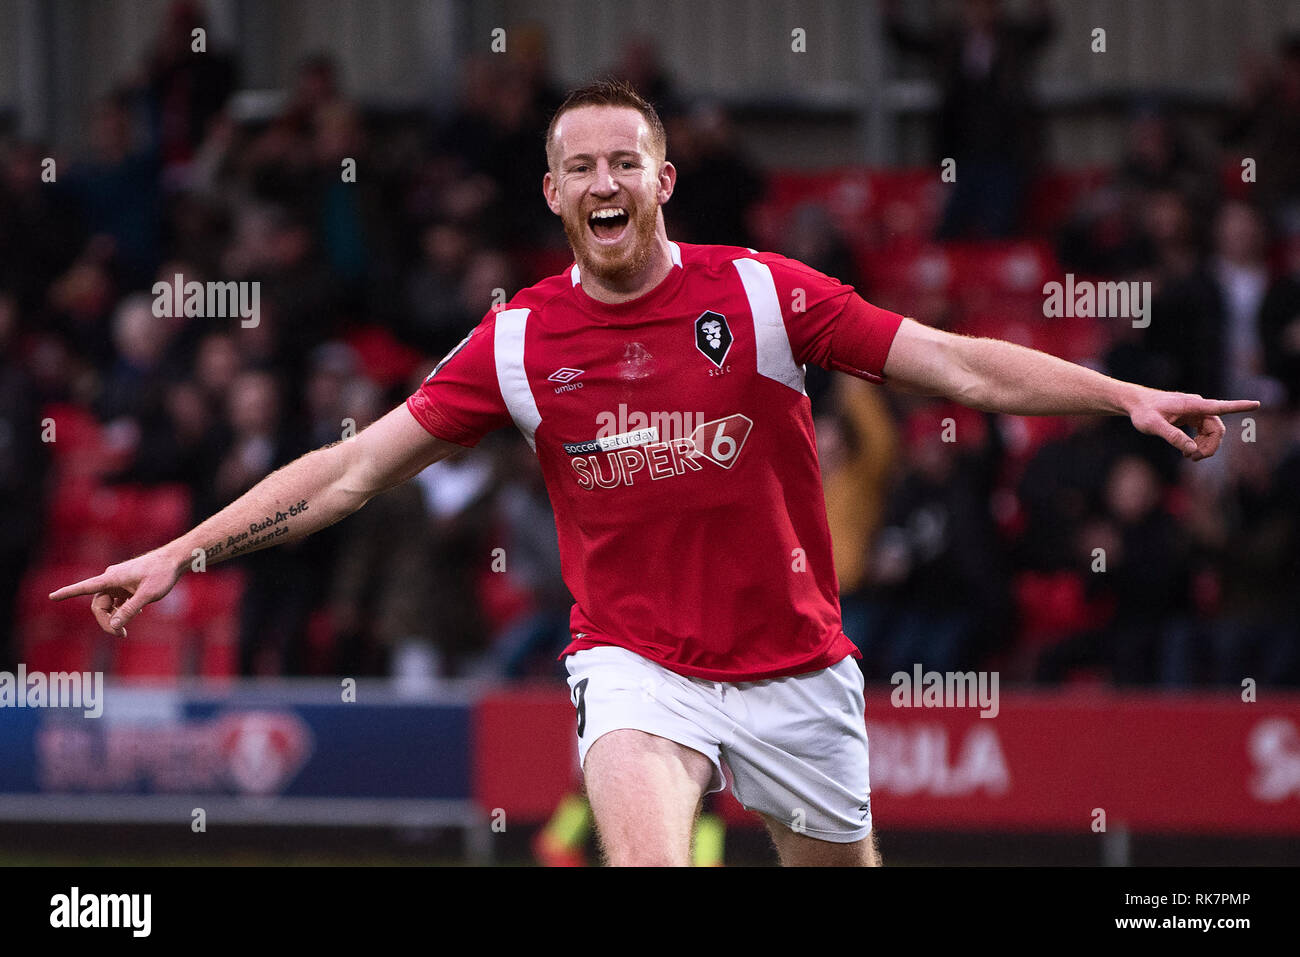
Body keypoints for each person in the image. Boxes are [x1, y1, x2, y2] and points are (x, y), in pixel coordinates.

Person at [51, 79, 1258, 867]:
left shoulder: (761, 294)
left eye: (624, 161)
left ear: (662, 181)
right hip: (635, 664)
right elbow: (354, 469)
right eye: (579, 167)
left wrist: (1123, 394)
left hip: (794, 662)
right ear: (553, 194)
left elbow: (953, 366)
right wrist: (178, 551)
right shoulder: (518, 340)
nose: (603, 183)